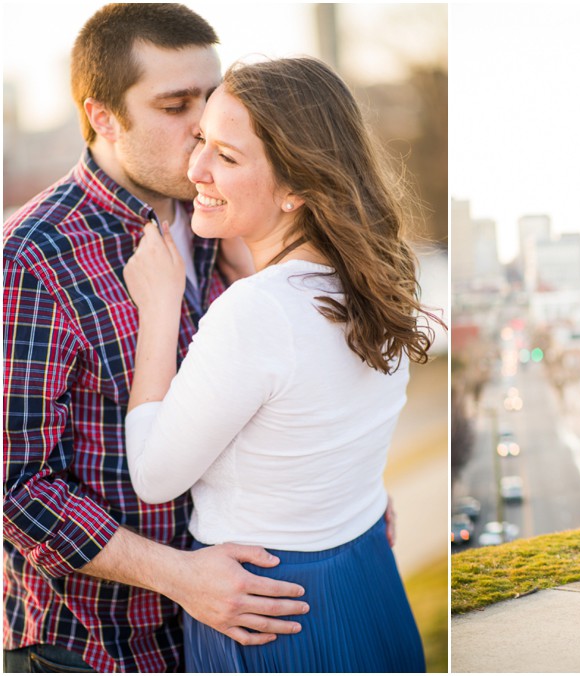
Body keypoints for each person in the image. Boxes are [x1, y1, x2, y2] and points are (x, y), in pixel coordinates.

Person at [3, 5, 308, 672]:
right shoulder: (30, 259)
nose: (207, 123)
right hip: (95, 649)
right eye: (176, 105)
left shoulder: (222, 218)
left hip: (228, 633)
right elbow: (14, 486)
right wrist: (179, 575)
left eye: (212, 93)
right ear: (104, 117)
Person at [122, 56, 434, 672]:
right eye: (201, 140)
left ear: (298, 188)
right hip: (367, 571)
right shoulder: (377, 281)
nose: (196, 170)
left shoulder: (257, 311)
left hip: (267, 606)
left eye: (227, 157)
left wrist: (158, 310)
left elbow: (155, 479)